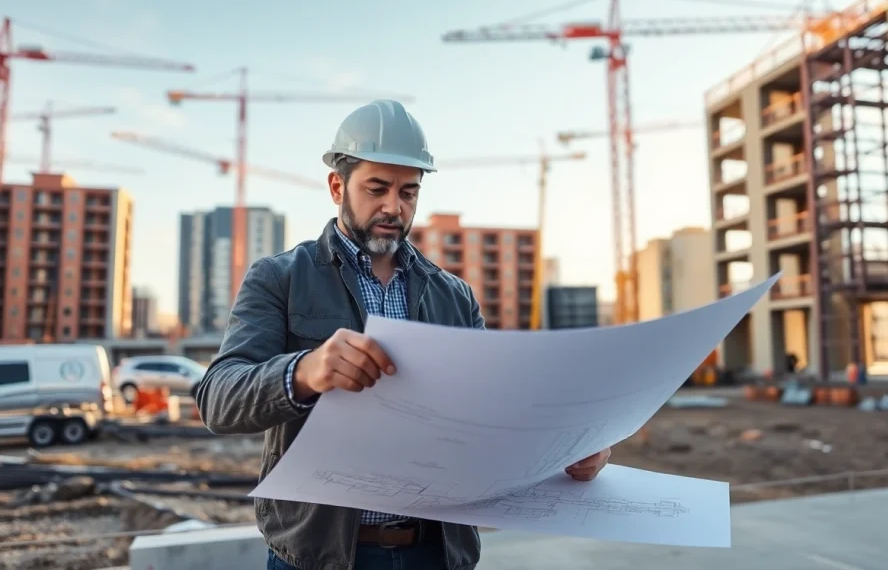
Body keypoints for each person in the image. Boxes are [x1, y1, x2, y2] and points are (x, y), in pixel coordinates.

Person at [194, 99, 612, 570]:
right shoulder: (280, 279)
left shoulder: (455, 297)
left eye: (409, 192)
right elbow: (218, 399)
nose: (394, 207)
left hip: (436, 552)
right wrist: (305, 372)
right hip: (321, 557)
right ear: (337, 186)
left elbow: (495, 415)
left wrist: (568, 450)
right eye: (377, 188)